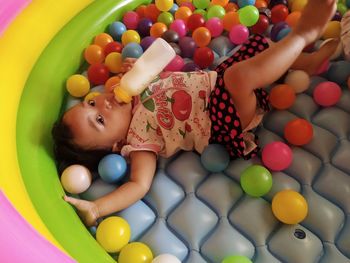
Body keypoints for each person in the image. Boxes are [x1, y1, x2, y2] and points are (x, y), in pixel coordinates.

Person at [52, 0, 337, 226]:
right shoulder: (139, 140)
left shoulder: (136, 89)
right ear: (116, 145)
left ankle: (306, 62)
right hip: (225, 117)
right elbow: (139, 185)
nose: (103, 105)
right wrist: (97, 207)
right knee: (239, 78)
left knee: (257, 46)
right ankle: (304, 34)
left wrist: (142, 68)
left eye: (90, 103)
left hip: (216, 79)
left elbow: (169, 82)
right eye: (100, 121)